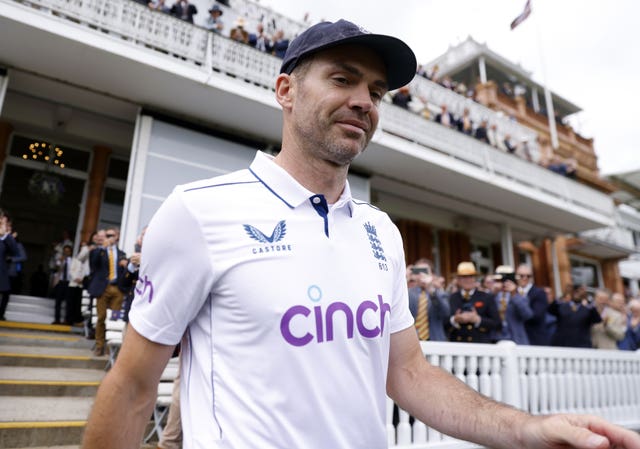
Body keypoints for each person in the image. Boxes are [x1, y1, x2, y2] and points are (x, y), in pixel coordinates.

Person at [82, 19, 640, 449]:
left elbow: (408, 373)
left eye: (375, 91)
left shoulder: (380, 231)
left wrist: (527, 429)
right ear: (286, 90)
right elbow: (133, 387)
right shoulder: (199, 212)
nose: (363, 101)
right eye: (343, 79)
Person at [87, 227, 127, 356]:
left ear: (117, 237)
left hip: (117, 290)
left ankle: (111, 347)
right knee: (101, 317)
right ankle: (99, 345)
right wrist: (102, 248)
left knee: (115, 319)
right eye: (107, 235)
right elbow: (93, 264)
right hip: (103, 289)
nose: (109, 237)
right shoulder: (98, 251)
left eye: (112, 235)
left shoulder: (122, 254)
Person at [447, 261, 501, 343]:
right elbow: (443, 323)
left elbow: (497, 324)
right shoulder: (452, 297)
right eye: (464, 277)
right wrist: (454, 319)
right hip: (458, 345)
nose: (468, 280)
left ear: (475, 278)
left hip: (481, 345)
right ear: (458, 279)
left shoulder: (486, 297)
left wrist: (477, 320)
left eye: (471, 276)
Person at [407, 258, 450, 341]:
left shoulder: (440, 293)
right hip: (413, 341)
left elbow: (445, 314)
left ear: (432, 275)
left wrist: (431, 290)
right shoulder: (408, 292)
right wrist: (405, 279)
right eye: (418, 271)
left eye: (425, 271)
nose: (421, 274)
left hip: (435, 341)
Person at [491, 265, 533, 345]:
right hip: (495, 339)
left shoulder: (519, 295)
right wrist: (493, 294)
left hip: (515, 339)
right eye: (499, 280)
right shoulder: (494, 295)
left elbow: (527, 315)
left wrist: (514, 294)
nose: (503, 283)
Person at [516, 263, 550, 346]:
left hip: (534, 340)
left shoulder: (539, 293)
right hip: (516, 339)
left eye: (528, 276)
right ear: (516, 276)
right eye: (521, 276)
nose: (525, 278)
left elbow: (536, 316)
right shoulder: (512, 293)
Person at [0, 210, 18, 320]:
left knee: (5, 293)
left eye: (4, 223)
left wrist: (6, 236)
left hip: (2, 272)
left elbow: (15, 251)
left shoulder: (6, 239)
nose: (3, 225)